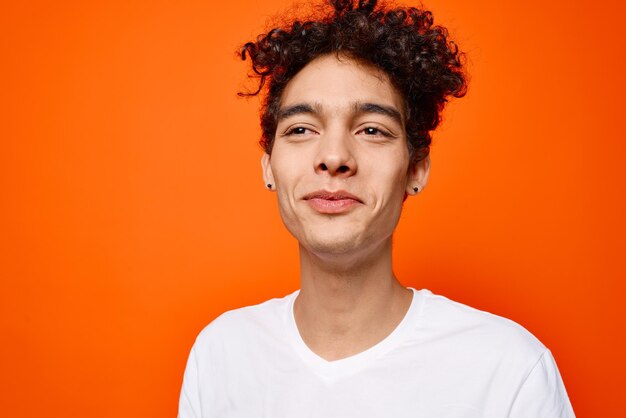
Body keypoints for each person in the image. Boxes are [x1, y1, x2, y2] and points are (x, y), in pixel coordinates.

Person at [178, 0, 575, 416]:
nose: (333, 157)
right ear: (269, 166)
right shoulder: (221, 355)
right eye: (300, 129)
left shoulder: (510, 371)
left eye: (371, 129)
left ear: (415, 170)